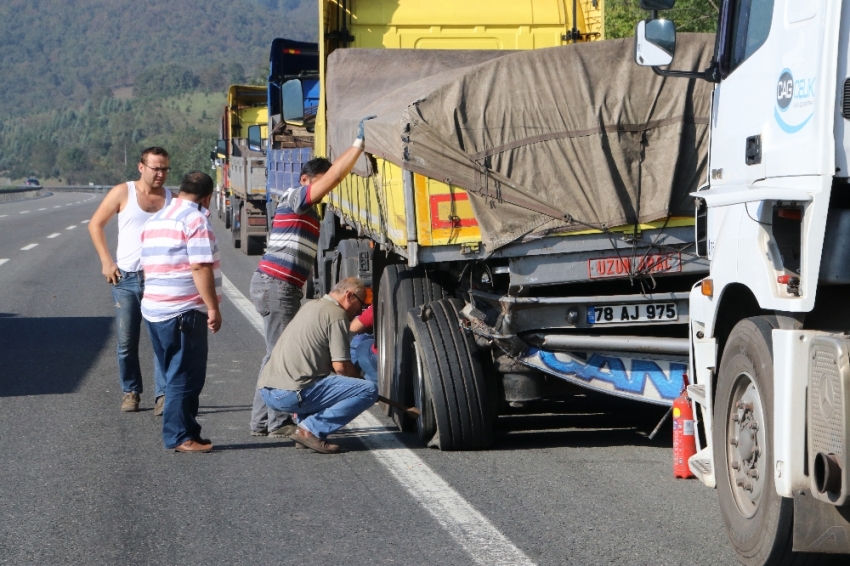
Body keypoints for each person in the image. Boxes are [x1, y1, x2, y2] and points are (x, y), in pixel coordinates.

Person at [249, 115, 376, 437]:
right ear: (306, 180)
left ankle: (267, 421)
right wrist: (359, 145)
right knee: (278, 354)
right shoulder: (296, 198)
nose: (323, 192)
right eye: (318, 185)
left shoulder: (307, 210)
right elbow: (333, 177)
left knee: (277, 353)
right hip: (276, 286)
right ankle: (274, 422)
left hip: (281, 287)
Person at [140, 172, 222, 453]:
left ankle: (189, 432)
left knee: (173, 372)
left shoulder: (155, 219)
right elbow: (200, 266)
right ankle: (180, 437)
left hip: (154, 309)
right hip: (183, 311)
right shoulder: (195, 219)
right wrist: (212, 306)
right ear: (207, 197)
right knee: (184, 376)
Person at [88, 147, 172, 414]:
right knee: (126, 341)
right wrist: (106, 261)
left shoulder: (171, 198)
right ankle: (131, 391)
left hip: (159, 279)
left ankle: (163, 395)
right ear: (141, 167)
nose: (160, 174)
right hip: (125, 279)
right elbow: (95, 224)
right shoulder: (123, 192)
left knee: (162, 341)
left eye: (165, 169)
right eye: (155, 168)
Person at [258, 278, 378, 454]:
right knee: (367, 390)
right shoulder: (336, 315)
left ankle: (303, 428)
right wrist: (359, 384)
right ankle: (310, 430)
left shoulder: (312, 305)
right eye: (360, 305)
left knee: (319, 379)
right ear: (349, 296)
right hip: (290, 393)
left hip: (268, 392)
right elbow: (341, 367)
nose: (360, 311)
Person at [349, 304, 378, 384]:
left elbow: (354, 327)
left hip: (379, 357)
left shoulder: (377, 305)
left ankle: (356, 379)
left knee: (361, 345)